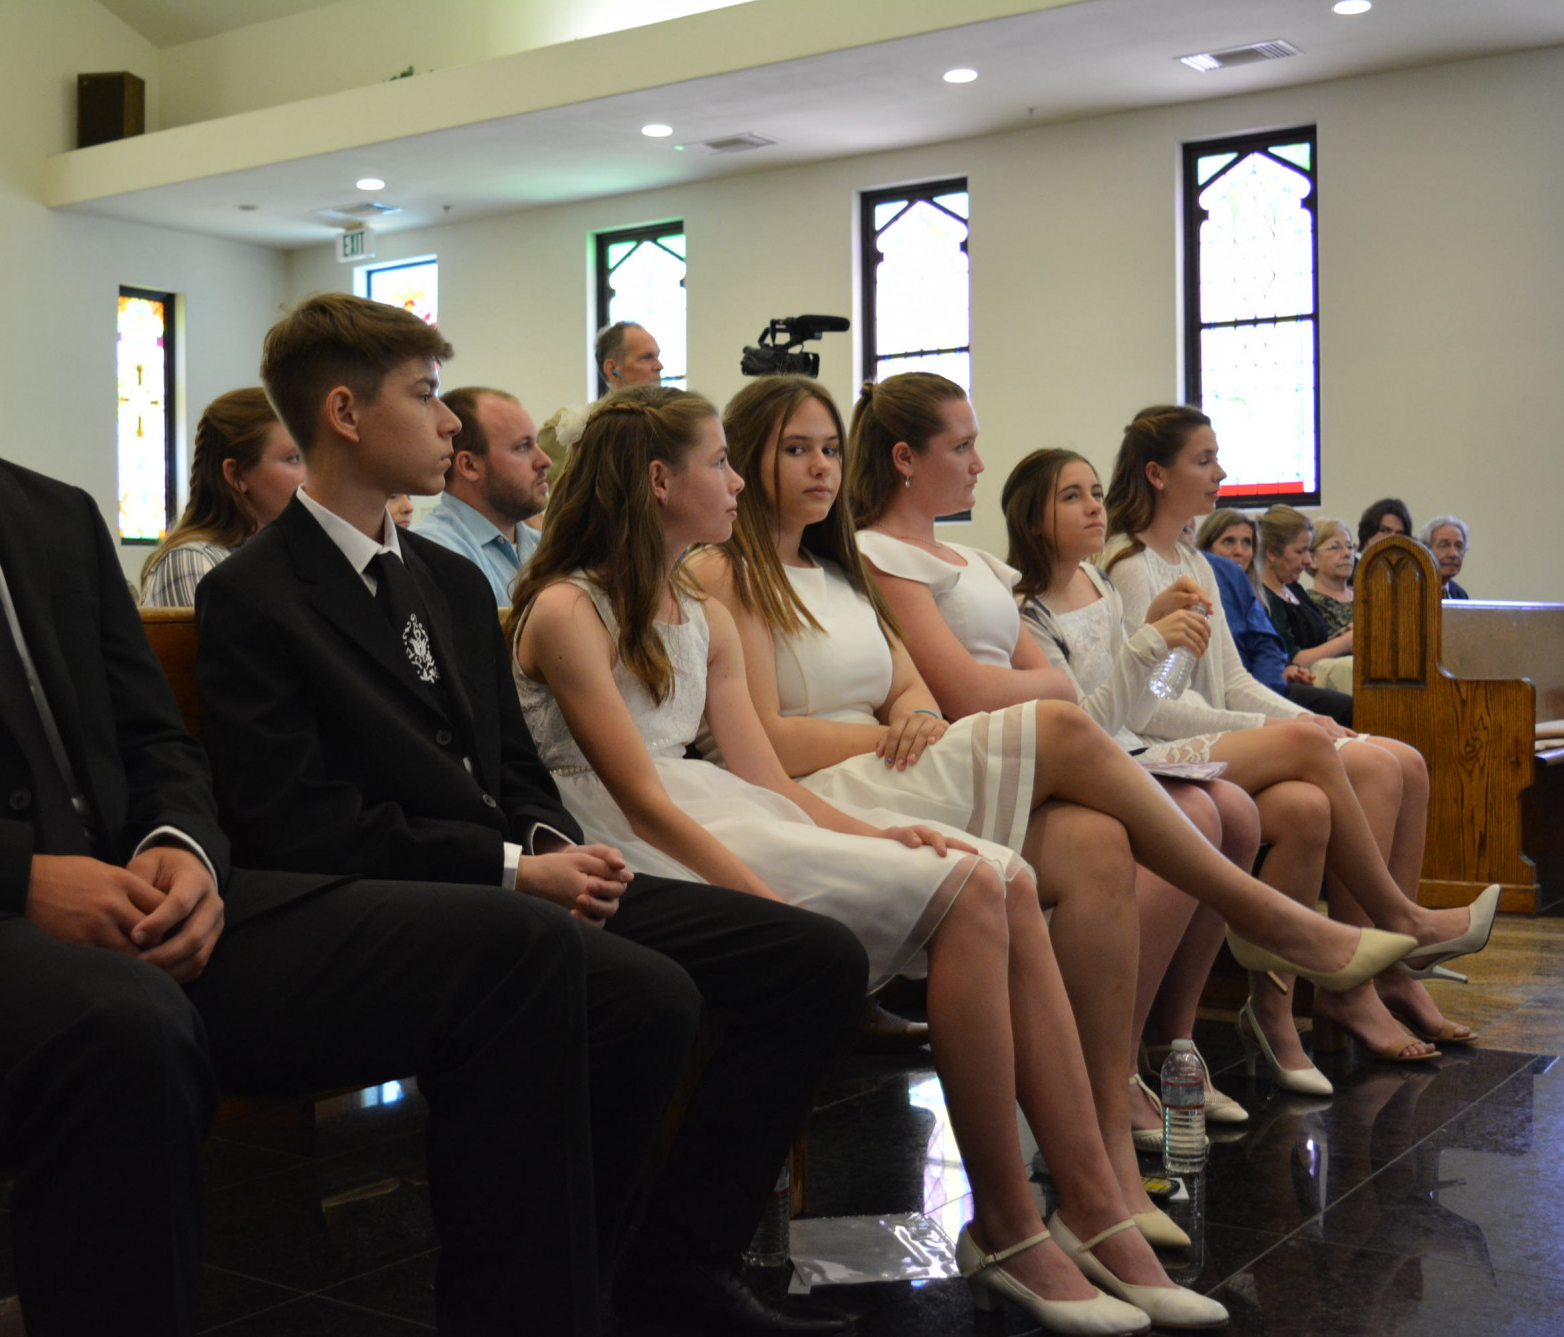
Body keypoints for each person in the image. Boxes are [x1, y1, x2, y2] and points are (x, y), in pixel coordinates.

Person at [0, 148, 608, 1337]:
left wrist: (182, 847)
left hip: (124, 904)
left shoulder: (48, 513)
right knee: (119, 1023)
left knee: (516, 947)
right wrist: (17, 878)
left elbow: (158, 739)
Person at [506, 384, 1384, 1334]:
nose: (740, 480)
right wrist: (765, 894)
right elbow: (646, 792)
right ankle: (1014, 1218)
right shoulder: (573, 607)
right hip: (640, 831)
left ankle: (1082, 1207)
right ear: (656, 479)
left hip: (737, 806)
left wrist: (870, 835)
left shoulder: (697, 610)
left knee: (1000, 873)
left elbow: (760, 776)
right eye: (725, 461)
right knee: (974, 879)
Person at [193, 294, 869, 1337]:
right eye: (426, 395)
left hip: (520, 876)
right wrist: (512, 869)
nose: (448, 421)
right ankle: (551, 1294)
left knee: (814, 958)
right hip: (403, 903)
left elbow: (512, 763)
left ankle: (675, 1263)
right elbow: (301, 821)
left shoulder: (450, 580)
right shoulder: (255, 592)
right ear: (345, 413)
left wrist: (554, 846)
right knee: (642, 995)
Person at [691, 377, 1370, 1231]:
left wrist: (911, 714)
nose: (822, 466)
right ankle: (1268, 915)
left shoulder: (839, 569)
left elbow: (911, 687)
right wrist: (894, 730)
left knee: (1095, 838)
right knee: (1068, 726)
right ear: (744, 463)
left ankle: (1104, 1170)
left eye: (829, 447)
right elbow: (769, 742)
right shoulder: (729, 571)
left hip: (906, 756)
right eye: (796, 449)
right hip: (836, 782)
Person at [1005, 448, 1477, 1082]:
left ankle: (1248, 1018)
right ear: (1032, 519)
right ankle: (1399, 921)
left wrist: (1163, 646)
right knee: (1311, 747)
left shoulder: (1103, 584)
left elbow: (1159, 691)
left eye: (1094, 491)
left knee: (1307, 806)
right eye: (1072, 497)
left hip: (1139, 737)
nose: (1095, 506)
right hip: (1118, 760)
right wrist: (1158, 649)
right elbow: (1096, 724)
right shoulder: (1033, 607)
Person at [138, 387, 304, 607]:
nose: (313, 474)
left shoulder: (292, 558)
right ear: (236, 475)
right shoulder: (191, 562)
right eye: (295, 458)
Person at [1195, 508, 1352, 725]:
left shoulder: (1257, 592)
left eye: (1247, 543)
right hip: (1239, 690)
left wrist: (1279, 676)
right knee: (1345, 707)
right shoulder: (1204, 592)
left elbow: (1268, 647)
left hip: (1268, 685)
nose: (1239, 551)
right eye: (1229, 541)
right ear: (1207, 548)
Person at [415, 386, 548, 601]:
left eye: (537, 443)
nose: (544, 461)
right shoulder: (434, 553)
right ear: (469, 465)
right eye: (523, 447)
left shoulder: (544, 547)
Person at [537, 321, 667, 484]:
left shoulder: (669, 420)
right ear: (612, 369)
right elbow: (559, 493)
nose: (659, 366)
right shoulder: (574, 426)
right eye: (646, 357)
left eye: (657, 356)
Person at [1256, 505, 1353, 686]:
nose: (1308, 560)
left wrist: (1341, 635)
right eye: (1300, 551)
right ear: (1272, 553)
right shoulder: (1265, 598)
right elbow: (1293, 659)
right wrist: (1346, 642)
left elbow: (1316, 643)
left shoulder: (1294, 588)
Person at [1305, 518, 1357, 638]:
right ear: (1312, 559)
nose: (1347, 553)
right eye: (1334, 547)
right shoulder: (1309, 605)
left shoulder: (1367, 596)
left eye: (1349, 546)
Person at [1421, 514, 1471, 598]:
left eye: (1459, 546)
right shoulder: (1412, 591)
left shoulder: (1460, 594)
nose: (1453, 554)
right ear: (1425, 550)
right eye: (1444, 546)